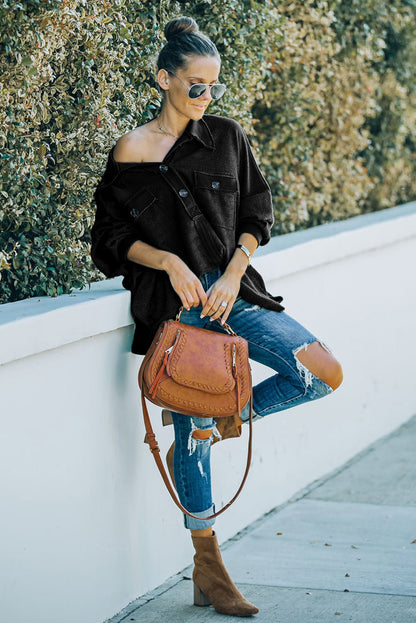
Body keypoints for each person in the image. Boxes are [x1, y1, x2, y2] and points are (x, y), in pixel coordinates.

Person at [91, 15, 343, 617]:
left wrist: (233, 272)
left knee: (320, 373)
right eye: (195, 85)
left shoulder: (227, 137)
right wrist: (168, 262)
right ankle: (208, 565)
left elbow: (258, 212)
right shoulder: (133, 149)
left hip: (235, 294)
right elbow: (109, 237)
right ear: (164, 80)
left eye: (214, 86)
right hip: (176, 311)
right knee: (191, 439)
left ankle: (220, 415)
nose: (206, 97)